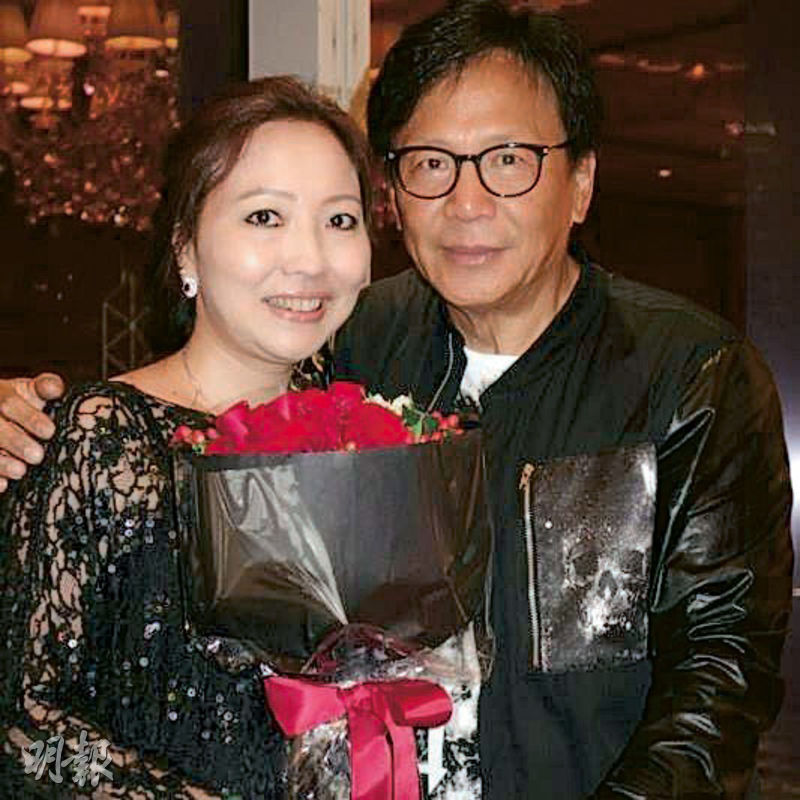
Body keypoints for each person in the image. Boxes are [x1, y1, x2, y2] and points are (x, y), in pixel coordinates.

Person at [0, 2, 793, 798]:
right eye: (431, 162)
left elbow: (718, 686)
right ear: (395, 190)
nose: (467, 202)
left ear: (580, 182)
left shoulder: (687, 376)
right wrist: (24, 419)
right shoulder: (354, 350)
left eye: (508, 159)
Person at [0, 75, 375, 798]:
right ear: (186, 251)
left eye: (340, 220)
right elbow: (24, 730)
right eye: (264, 216)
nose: (310, 258)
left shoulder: (367, 436)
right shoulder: (102, 437)